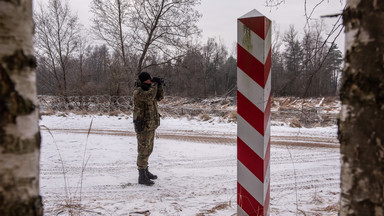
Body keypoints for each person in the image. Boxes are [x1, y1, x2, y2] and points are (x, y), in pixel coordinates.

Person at [133, 72, 164, 186]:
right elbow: (149, 97)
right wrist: (155, 84)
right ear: (143, 81)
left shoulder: (150, 89)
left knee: (149, 149)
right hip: (143, 125)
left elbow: (159, 97)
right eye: (148, 80)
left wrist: (159, 85)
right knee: (143, 151)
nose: (150, 82)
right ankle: (141, 176)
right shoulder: (139, 92)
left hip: (150, 124)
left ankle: (145, 171)